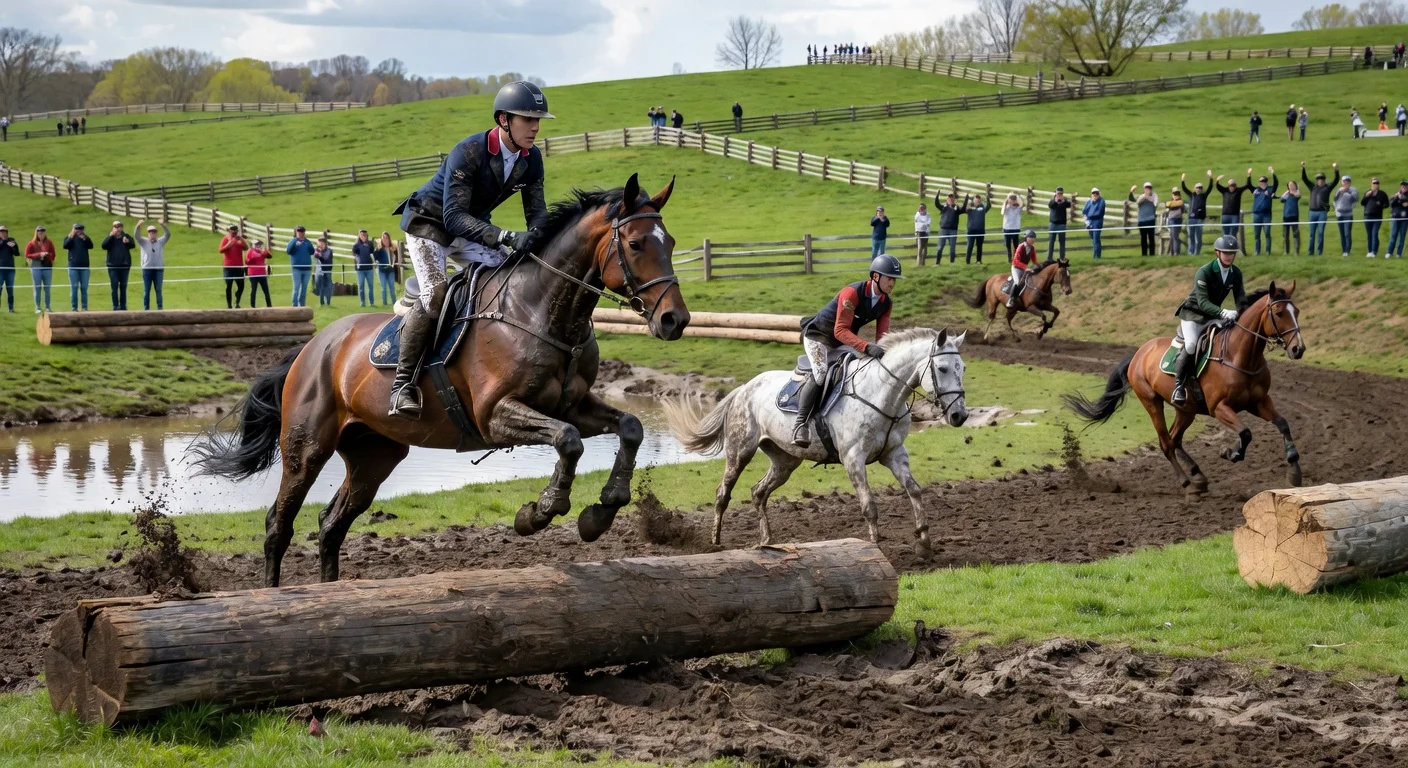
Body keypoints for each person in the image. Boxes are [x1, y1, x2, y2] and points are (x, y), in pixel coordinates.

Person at [391, 80, 554, 417]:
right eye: (527, 119)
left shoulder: (531, 159)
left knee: (511, 278)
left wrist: (543, 241)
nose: (535, 127)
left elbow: (537, 213)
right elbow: (452, 217)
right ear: (503, 120)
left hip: (471, 228)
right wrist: (508, 236)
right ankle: (402, 386)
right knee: (436, 294)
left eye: (538, 120)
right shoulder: (469, 151)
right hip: (429, 225)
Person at [792, 254, 900, 447]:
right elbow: (840, 330)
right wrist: (866, 346)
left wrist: (885, 352)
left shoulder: (886, 303)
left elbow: (882, 336)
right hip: (819, 336)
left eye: (894, 279)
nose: (892, 283)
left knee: (862, 366)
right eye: (889, 278)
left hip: (842, 341)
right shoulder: (852, 293)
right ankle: (800, 424)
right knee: (821, 373)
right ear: (876, 276)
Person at [1171, 235, 1245, 406]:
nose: (1229, 256)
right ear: (1217, 253)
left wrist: (1244, 314)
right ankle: (1179, 386)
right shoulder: (1204, 272)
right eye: (1225, 253)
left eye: (1232, 253)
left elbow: (1241, 299)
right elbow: (1203, 303)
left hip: (1212, 317)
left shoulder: (1235, 273)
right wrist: (1223, 312)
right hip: (1193, 314)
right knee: (1191, 345)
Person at [1302, 161, 1338, 256]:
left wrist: (1335, 170)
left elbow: (1336, 180)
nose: (1320, 180)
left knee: (1320, 233)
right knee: (1311, 234)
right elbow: (1304, 179)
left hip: (1322, 213)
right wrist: (1303, 168)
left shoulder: (1327, 187)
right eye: (1318, 179)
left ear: (1324, 180)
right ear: (1316, 180)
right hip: (1312, 213)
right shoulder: (1312, 187)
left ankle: (1319, 252)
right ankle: (1310, 252)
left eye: (1322, 179)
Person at [101, 220, 136, 311]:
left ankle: (123, 306)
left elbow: (133, 245)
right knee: (114, 286)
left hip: (124, 266)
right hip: (113, 266)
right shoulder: (110, 238)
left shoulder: (126, 236)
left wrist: (128, 242)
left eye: (119, 226)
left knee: (123, 286)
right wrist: (111, 236)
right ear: (113, 228)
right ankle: (115, 306)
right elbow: (104, 246)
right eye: (116, 227)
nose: (118, 228)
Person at [135, 219, 170, 311]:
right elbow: (136, 236)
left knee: (158, 290)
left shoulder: (160, 242)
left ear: (156, 233)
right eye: (150, 232)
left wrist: (163, 225)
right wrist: (138, 227)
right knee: (146, 290)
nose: (152, 233)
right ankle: (146, 309)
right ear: (148, 233)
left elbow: (168, 234)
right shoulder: (143, 241)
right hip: (147, 269)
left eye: (154, 232)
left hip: (159, 269)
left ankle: (160, 308)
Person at [62, 223, 93, 311]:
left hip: (85, 267)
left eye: (81, 229)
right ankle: (74, 307)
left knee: (84, 287)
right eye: (77, 229)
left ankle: (84, 307)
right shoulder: (70, 238)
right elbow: (65, 245)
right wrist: (72, 235)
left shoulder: (85, 238)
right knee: (74, 287)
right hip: (73, 266)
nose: (79, 231)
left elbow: (91, 246)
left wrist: (84, 238)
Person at [24, 225, 56, 313]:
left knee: (47, 288)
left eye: (42, 232)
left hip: (47, 267)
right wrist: (38, 255)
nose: (41, 234)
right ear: (37, 233)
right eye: (39, 233)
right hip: (36, 266)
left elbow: (53, 254)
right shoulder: (31, 243)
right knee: (37, 287)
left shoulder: (49, 243)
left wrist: (47, 255)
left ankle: (48, 307)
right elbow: (27, 254)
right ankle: (38, 307)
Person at [1249, 168, 1279, 255]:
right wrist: (1249, 175)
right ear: (1259, 182)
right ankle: (1257, 251)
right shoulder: (1256, 190)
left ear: (1266, 182)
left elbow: (1276, 183)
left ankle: (1268, 251)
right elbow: (1249, 185)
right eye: (1261, 181)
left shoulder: (1270, 189)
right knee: (1256, 235)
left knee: (1267, 233)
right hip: (1256, 214)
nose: (1262, 182)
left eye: (1264, 181)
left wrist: (1273, 173)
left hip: (1266, 215)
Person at [1008, 229, 1040, 308]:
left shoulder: (1032, 248)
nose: (1033, 239)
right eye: (1031, 237)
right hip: (1016, 268)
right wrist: (1026, 267)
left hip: (1024, 268)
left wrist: (1040, 266)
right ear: (1026, 238)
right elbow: (1015, 261)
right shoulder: (1021, 246)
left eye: (1034, 237)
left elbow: (1034, 260)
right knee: (1017, 282)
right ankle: (1011, 299)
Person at [1181, 172, 1211, 255]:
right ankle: (1191, 253)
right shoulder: (1192, 195)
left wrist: (1210, 178)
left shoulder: (1204, 195)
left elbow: (1210, 188)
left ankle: (1197, 253)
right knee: (1191, 237)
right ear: (1195, 188)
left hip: (1200, 219)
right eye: (1197, 188)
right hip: (1191, 219)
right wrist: (1183, 180)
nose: (1199, 189)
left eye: (1200, 188)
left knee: (1198, 237)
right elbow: (1184, 189)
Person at [1215, 170, 1252, 237]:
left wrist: (1249, 175)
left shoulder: (1238, 191)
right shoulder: (1225, 191)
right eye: (1231, 185)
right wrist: (1217, 180)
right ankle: (1226, 246)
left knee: (1234, 232)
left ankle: (1233, 245)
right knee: (1225, 233)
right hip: (1225, 215)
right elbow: (1218, 187)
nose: (1232, 187)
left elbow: (1247, 185)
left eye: (1234, 185)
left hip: (1234, 215)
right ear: (1228, 186)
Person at [218, 225, 247, 309]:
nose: (234, 232)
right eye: (232, 231)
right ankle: (229, 305)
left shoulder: (239, 239)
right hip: (228, 267)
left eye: (236, 231)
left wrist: (242, 239)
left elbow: (246, 248)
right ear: (229, 231)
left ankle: (237, 301)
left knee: (241, 286)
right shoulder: (226, 239)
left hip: (239, 267)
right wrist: (229, 244)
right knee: (228, 286)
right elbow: (220, 250)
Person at [286, 225, 315, 307]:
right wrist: (295, 242)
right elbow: (288, 251)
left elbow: (312, 251)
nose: (301, 233)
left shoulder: (307, 242)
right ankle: (294, 305)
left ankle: (302, 305)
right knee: (296, 287)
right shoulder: (293, 241)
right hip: (296, 269)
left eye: (302, 232)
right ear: (296, 232)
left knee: (304, 288)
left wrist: (308, 244)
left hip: (307, 268)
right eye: (299, 232)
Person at [1361, 177, 1389, 258]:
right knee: (1369, 234)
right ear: (1371, 184)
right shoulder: (1368, 193)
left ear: (1378, 185)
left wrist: (1381, 204)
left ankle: (1374, 251)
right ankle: (1370, 251)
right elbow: (1362, 203)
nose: (1375, 184)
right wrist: (1366, 196)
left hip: (1377, 216)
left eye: (1376, 183)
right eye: (1374, 183)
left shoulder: (1382, 194)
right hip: (1367, 215)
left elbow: (1386, 204)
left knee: (1374, 233)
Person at [1129, 182, 1159, 256]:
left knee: (1151, 238)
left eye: (1149, 188)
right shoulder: (1141, 196)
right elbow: (1134, 200)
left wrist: (1148, 197)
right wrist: (1131, 191)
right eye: (1146, 188)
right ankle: (1144, 255)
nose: (1148, 189)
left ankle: (1152, 254)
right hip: (1142, 220)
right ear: (1144, 188)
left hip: (1151, 219)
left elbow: (1155, 204)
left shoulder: (1154, 195)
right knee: (1143, 238)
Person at [1333, 174, 1359, 256]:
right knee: (1342, 233)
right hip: (1339, 214)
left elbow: (1355, 199)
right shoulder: (1339, 189)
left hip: (1348, 214)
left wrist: (1347, 191)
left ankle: (1347, 250)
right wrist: (1340, 193)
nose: (1345, 183)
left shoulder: (1353, 190)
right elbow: (1335, 199)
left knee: (1347, 232)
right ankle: (1343, 249)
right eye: (1344, 181)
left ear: (1349, 182)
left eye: (1347, 181)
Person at [934, 192, 961, 263]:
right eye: (949, 198)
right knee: (940, 247)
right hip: (943, 229)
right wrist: (937, 195)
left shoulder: (957, 208)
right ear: (947, 199)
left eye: (952, 198)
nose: (951, 199)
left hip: (953, 230)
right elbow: (937, 204)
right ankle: (937, 263)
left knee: (952, 248)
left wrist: (966, 198)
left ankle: (952, 263)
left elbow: (963, 209)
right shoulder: (943, 207)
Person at [963, 193, 990, 264]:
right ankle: (967, 262)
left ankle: (978, 261)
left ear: (980, 201)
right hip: (971, 231)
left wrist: (988, 198)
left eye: (978, 201)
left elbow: (989, 206)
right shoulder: (969, 209)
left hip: (980, 231)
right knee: (970, 247)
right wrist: (967, 198)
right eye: (976, 200)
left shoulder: (983, 208)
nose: (977, 202)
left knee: (979, 247)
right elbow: (965, 207)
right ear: (973, 201)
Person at [1047, 187, 1073, 260]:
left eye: (1061, 193)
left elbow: (1069, 204)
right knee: (1051, 242)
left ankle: (1062, 258)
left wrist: (1063, 200)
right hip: (1053, 224)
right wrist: (1056, 201)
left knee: (1062, 242)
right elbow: (1050, 205)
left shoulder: (1064, 201)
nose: (1059, 195)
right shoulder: (1052, 201)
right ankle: (1049, 258)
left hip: (1062, 224)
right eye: (1058, 193)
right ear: (1055, 193)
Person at [352, 229, 376, 306]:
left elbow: (372, 253)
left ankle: (371, 302)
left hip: (369, 268)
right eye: (362, 235)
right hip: (360, 269)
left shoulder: (370, 244)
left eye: (365, 235)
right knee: (361, 286)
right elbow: (355, 256)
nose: (363, 236)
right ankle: (362, 302)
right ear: (359, 236)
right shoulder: (356, 245)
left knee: (370, 286)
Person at [246, 239, 273, 307]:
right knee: (253, 291)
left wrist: (265, 251)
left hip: (262, 273)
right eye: (257, 244)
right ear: (253, 245)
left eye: (259, 244)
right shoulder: (250, 251)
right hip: (253, 274)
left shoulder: (261, 251)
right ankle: (252, 306)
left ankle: (269, 306)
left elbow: (269, 256)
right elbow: (256, 256)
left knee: (266, 291)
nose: (258, 246)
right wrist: (263, 252)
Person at [1082, 187, 1106, 259]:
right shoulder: (1089, 202)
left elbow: (1099, 213)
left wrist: (1089, 215)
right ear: (1091, 194)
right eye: (1093, 193)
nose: (1095, 194)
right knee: (1094, 239)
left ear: (1099, 193)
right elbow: (1084, 211)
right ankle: (1096, 255)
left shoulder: (1101, 201)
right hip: (1089, 222)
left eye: (1097, 193)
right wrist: (1087, 219)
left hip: (1097, 221)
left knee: (1096, 239)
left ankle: (1096, 256)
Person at [375, 232, 398, 304]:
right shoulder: (379, 248)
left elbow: (397, 257)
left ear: (389, 239)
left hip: (391, 270)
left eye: (386, 238)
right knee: (383, 288)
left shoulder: (393, 248)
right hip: (382, 270)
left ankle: (394, 302)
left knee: (392, 287)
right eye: (383, 238)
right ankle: (384, 303)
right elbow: (375, 258)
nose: (385, 239)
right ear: (381, 239)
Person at [1281, 181, 1302, 255]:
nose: (1291, 186)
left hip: (1294, 216)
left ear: (1295, 186)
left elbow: (1298, 196)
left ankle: (1296, 251)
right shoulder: (1287, 194)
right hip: (1286, 216)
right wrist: (1287, 192)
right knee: (1285, 234)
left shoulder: (1296, 193)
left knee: (1296, 234)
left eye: (1292, 185)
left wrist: (1294, 192)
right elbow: (1281, 199)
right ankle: (1286, 251)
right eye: (1289, 185)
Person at [0, 225, 18, 312]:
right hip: (0, 269)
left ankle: (11, 308)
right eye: (1, 232)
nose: (3, 233)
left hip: (10, 269)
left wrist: (14, 246)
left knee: (10, 289)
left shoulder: (11, 240)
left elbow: (17, 253)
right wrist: (3, 241)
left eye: (4, 231)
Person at [1000, 192, 1023, 258]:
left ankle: (1016, 257)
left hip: (1015, 228)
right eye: (1011, 200)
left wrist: (1017, 196)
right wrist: (1006, 201)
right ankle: (1009, 257)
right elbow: (1002, 212)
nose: (1013, 202)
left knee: (1016, 244)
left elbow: (1022, 204)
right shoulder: (1006, 208)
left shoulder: (1018, 208)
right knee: (1007, 244)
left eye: (1014, 200)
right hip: (1007, 228)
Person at [313, 236, 335, 305]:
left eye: (321, 244)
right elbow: (315, 256)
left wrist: (320, 256)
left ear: (325, 244)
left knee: (328, 286)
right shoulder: (317, 250)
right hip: (319, 271)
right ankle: (322, 302)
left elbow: (326, 260)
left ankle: (328, 302)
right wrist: (317, 254)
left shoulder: (329, 251)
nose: (320, 246)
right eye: (319, 244)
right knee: (320, 286)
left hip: (327, 270)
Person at [1389, 181, 1408, 259]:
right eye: (1402, 186)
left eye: (1405, 186)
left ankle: (1398, 253)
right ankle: (1389, 252)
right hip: (1395, 217)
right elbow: (1391, 203)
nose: (1404, 187)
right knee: (1393, 235)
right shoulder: (1397, 194)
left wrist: (1403, 201)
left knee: (1402, 236)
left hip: (1405, 218)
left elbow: (1405, 203)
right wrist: (1395, 198)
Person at [1166, 187, 1185, 256]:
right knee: (1173, 236)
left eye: (1177, 194)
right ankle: (1173, 252)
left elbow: (1181, 205)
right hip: (1172, 220)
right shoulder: (1170, 202)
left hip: (1178, 220)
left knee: (1175, 236)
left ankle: (1175, 252)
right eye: (1174, 194)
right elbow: (1167, 205)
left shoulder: (1181, 202)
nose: (1176, 195)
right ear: (1172, 195)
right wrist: (1173, 203)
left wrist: (1173, 203)